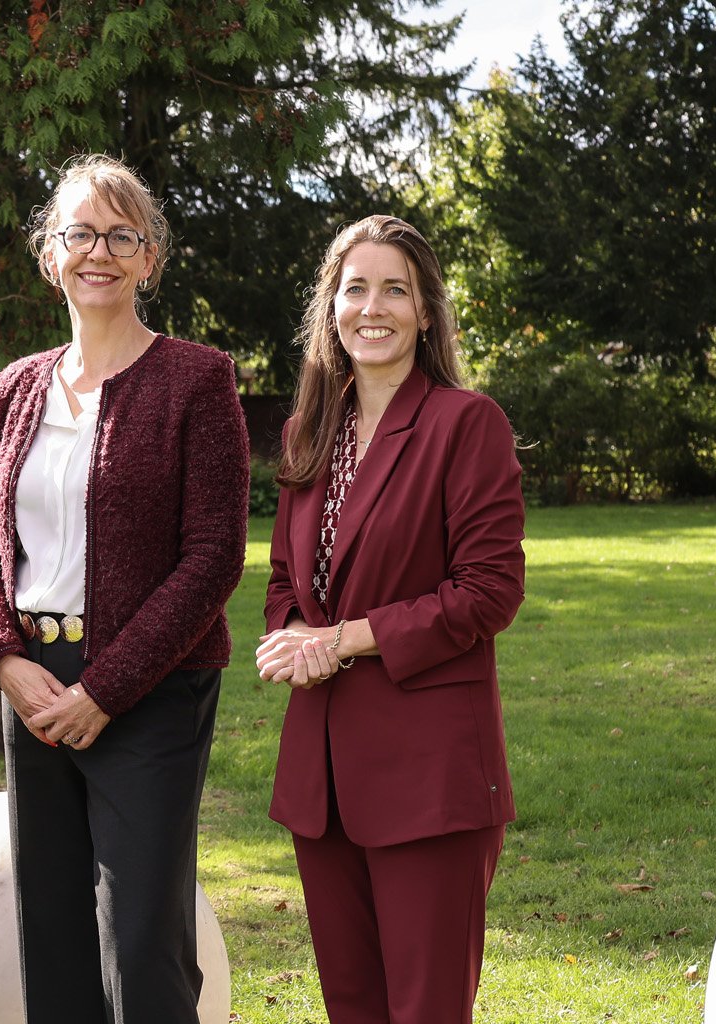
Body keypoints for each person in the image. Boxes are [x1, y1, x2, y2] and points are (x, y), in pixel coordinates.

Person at [0, 154, 249, 1022]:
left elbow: (212, 559)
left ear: (150, 258)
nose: (100, 252)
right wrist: (4, 662)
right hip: (33, 683)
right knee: (50, 929)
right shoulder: (17, 387)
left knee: (141, 939)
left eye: (124, 235)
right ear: (51, 253)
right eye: (80, 233)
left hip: (151, 688)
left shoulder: (198, 379)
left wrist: (106, 688)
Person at [255, 214, 525, 1024]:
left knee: (425, 1009)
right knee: (353, 1008)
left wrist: (342, 640)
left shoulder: (465, 422)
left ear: (427, 312)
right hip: (322, 776)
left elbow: (488, 591)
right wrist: (297, 640)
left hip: (427, 774)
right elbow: (283, 584)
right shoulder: (309, 433)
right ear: (331, 307)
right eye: (356, 288)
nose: (373, 307)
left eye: (395, 290)